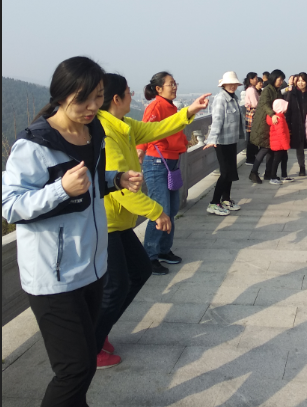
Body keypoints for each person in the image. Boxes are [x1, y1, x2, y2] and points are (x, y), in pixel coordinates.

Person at [2, 56, 143, 407]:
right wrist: (60, 189)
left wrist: (115, 179)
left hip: (91, 270)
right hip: (53, 278)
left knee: (84, 364)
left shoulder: (92, 133)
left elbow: (88, 184)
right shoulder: (34, 145)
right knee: (74, 370)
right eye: (84, 99)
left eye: (98, 96)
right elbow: (11, 206)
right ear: (61, 95)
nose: (93, 107)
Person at [96, 73, 210, 368]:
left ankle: (99, 331)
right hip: (106, 222)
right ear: (116, 99)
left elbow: (156, 129)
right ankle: (91, 344)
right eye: (128, 92)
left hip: (119, 222)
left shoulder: (122, 125)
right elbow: (119, 187)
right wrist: (156, 212)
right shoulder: (105, 133)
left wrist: (189, 111)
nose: (132, 95)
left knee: (139, 271)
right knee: (116, 286)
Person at [136, 72, 190, 275]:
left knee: (172, 208)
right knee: (160, 210)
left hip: (171, 162)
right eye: (170, 84)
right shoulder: (155, 106)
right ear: (158, 89)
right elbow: (145, 130)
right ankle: (149, 256)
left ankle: (164, 250)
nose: (174, 87)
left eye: (175, 83)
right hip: (156, 162)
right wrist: (139, 151)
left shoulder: (172, 107)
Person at [204, 72, 246, 216]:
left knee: (231, 171)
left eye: (235, 84)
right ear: (224, 84)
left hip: (232, 140)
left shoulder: (233, 98)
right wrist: (212, 139)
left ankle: (226, 199)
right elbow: (217, 120)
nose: (233, 86)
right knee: (225, 172)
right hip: (222, 141)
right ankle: (214, 203)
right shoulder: (221, 98)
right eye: (230, 84)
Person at [249, 69, 285, 184]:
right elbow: (265, 104)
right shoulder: (267, 90)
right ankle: (253, 172)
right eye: (279, 79)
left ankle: (268, 173)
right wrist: (272, 114)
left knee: (270, 148)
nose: (281, 82)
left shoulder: (276, 90)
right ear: (274, 79)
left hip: (271, 124)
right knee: (265, 148)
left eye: (282, 80)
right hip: (263, 124)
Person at [286, 72, 307, 176]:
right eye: (298, 81)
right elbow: (288, 110)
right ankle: (302, 168)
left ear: (306, 81)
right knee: (299, 148)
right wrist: (288, 125)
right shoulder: (293, 93)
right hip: (297, 124)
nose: (300, 83)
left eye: (303, 80)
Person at [267, 99, 293, 184]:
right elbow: (281, 133)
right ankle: (273, 177)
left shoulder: (280, 117)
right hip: (279, 144)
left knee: (284, 159)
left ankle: (284, 175)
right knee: (277, 160)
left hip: (279, 143)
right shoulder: (279, 118)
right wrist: (286, 145)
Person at [244, 72, 260, 165]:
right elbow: (255, 104)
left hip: (250, 113)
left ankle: (251, 157)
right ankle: (250, 158)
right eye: (255, 78)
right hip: (253, 114)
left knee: (251, 136)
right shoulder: (251, 90)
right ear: (251, 79)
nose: (257, 80)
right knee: (252, 137)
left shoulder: (250, 89)